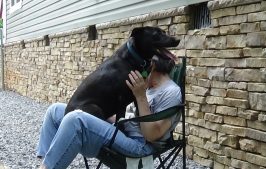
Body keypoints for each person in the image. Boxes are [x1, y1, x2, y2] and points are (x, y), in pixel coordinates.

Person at [36, 55, 182, 169]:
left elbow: (152, 135)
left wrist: (140, 96)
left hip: (140, 146)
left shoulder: (171, 92)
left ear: (152, 65)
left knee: (76, 119)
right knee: (55, 110)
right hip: (123, 131)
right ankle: (46, 164)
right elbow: (129, 120)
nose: (136, 70)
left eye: (140, 66)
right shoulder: (148, 87)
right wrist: (101, 117)